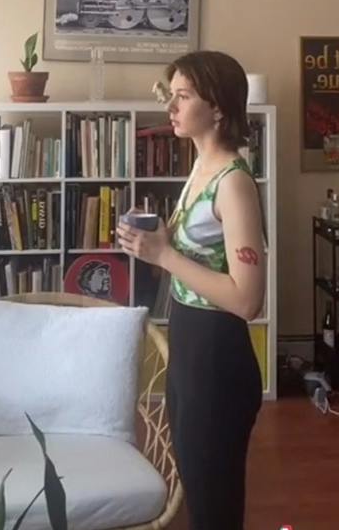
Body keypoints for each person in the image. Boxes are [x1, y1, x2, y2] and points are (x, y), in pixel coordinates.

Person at [117, 50, 266, 530]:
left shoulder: (234, 183)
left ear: (218, 107)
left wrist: (165, 254)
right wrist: (152, 247)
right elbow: (192, 266)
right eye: (173, 95)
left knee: (214, 511)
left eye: (183, 96)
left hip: (218, 362)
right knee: (198, 496)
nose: (172, 107)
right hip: (189, 349)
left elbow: (247, 299)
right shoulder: (200, 169)